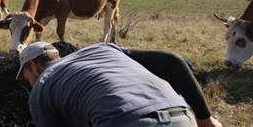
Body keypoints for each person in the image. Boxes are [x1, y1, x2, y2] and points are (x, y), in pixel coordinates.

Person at [16, 41, 222, 127]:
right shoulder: (103, 49)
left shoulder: (41, 86)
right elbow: (171, 62)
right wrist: (205, 118)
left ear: (33, 67)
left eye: (27, 80)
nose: (31, 85)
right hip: (182, 117)